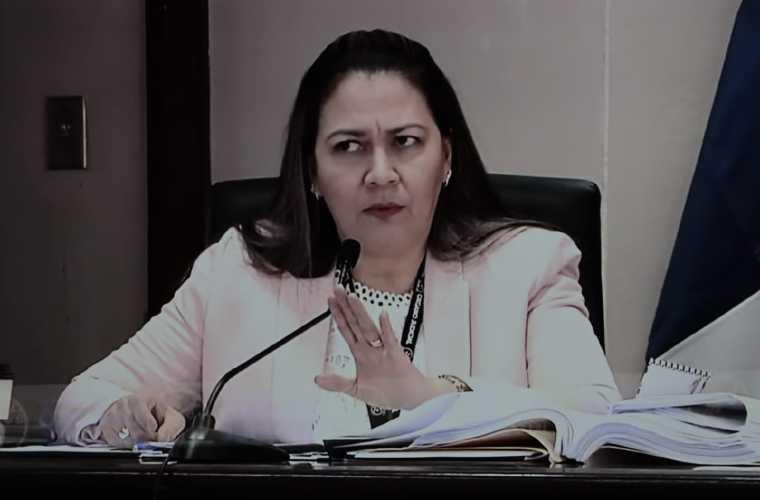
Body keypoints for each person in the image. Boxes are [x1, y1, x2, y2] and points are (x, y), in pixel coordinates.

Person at [54, 29, 621, 449]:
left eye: (405, 141)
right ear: (312, 170)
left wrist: (432, 398)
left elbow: (593, 420)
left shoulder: (528, 267)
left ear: (446, 156)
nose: (380, 173)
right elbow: (83, 398)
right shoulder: (238, 273)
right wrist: (125, 417)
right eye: (349, 146)